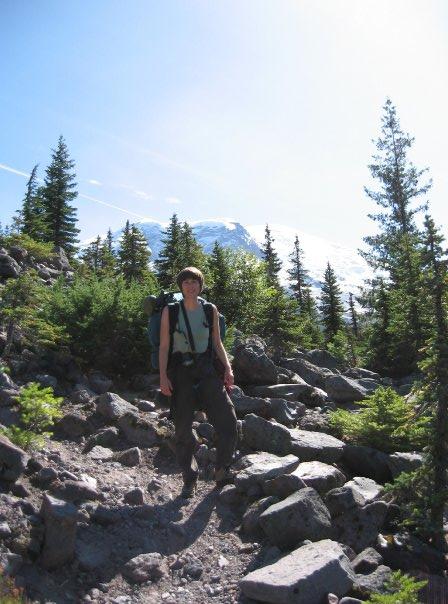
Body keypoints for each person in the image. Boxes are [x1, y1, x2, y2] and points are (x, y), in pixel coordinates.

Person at [159, 267, 237, 498]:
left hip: (207, 371)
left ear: (200, 286)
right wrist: (163, 376)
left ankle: (222, 469)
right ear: (181, 287)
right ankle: (189, 478)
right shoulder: (170, 312)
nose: (190, 286)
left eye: (195, 282)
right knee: (182, 430)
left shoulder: (209, 309)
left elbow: (217, 342)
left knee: (229, 422)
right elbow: (164, 346)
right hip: (181, 373)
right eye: (186, 283)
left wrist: (228, 368)